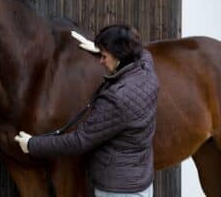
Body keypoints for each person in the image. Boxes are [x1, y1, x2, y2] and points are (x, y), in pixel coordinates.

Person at [15, 24, 159, 197]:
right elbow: (142, 51)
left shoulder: (117, 99)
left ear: (120, 57)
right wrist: (101, 48)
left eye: (104, 56)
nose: (101, 60)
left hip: (118, 191)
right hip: (141, 183)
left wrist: (32, 145)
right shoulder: (146, 70)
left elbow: (79, 141)